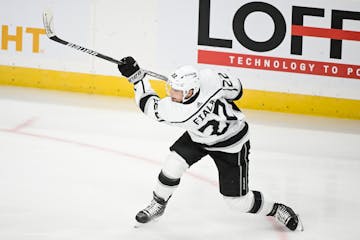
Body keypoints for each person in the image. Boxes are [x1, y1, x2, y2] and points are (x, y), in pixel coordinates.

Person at [117, 56, 303, 231]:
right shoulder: (209, 78)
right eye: (171, 89)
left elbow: (147, 103)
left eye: (176, 91)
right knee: (172, 165)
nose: (171, 94)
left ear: (190, 91)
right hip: (199, 137)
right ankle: (158, 204)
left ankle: (276, 209)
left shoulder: (177, 112)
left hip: (232, 143)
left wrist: (137, 79)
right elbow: (238, 90)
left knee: (237, 202)